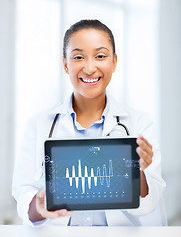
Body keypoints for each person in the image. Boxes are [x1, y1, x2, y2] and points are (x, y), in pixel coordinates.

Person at [12, 19, 166, 226]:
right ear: (66, 64)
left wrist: (139, 172)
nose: (90, 67)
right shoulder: (38, 125)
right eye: (78, 57)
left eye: (100, 56)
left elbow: (150, 203)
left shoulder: (140, 124)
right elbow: (24, 194)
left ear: (114, 62)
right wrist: (38, 208)